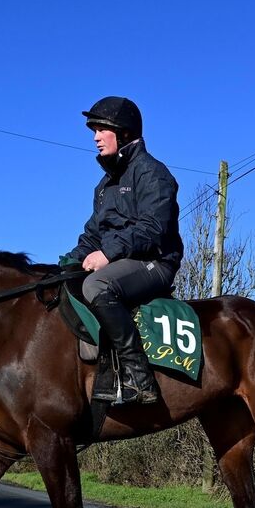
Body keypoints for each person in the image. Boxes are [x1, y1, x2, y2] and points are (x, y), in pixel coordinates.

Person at [68, 96, 183, 405]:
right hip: (122, 261)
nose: (95, 137)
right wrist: (68, 263)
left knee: (97, 285)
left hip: (155, 262)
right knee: (65, 284)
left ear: (124, 133)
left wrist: (107, 254)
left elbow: (153, 228)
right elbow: (93, 234)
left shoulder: (152, 173)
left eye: (101, 130)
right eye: (93, 131)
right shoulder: (104, 186)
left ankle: (139, 378)